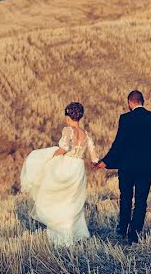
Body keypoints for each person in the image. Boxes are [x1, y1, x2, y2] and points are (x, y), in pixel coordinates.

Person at [20, 101, 100, 246]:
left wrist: (50, 157)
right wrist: (97, 163)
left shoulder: (68, 130)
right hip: (78, 168)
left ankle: (61, 232)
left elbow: (63, 148)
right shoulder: (86, 135)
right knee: (72, 201)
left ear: (68, 117)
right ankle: (75, 231)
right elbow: (94, 156)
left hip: (67, 165)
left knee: (59, 198)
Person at [95, 90, 151, 243]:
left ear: (130, 102)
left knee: (126, 197)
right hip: (147, 167)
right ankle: (135, 233)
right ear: (143, 101)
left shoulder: (125, 119)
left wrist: (105, 161)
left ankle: (122, 228)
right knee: (141, 200)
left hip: (127, 167)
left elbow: (118, 144)